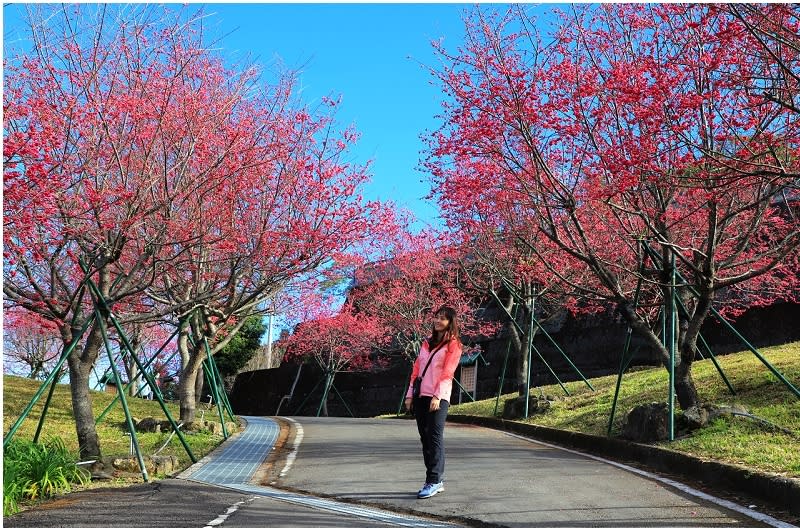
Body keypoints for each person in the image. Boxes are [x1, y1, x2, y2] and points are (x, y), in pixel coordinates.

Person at [404, 305, 463, 499]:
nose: (438, 321)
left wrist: (438, 396)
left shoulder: (453, 345)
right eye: (437, 317)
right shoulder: (426, 343)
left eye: (443, 319)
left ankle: (434, 480)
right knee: (425, 438)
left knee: (435, 437)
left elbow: (448, 373)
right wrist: (409, 395)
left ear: (450, 323)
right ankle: (434, 479)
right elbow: (416, 371)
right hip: (421, 396)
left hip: (439, 397)